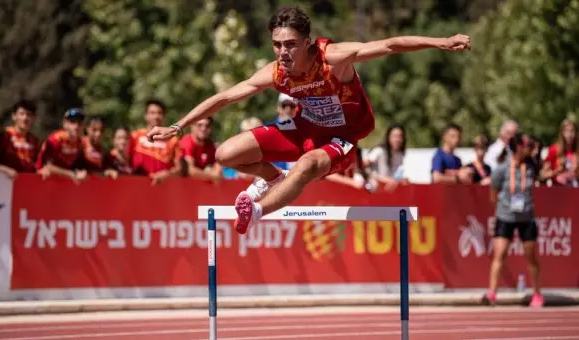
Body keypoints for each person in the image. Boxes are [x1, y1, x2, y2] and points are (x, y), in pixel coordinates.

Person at [147, 7, 471, 233]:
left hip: (341, 139)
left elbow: (387, 45)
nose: (282, 52)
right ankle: (273, 179)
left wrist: (440, 42)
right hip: (304, 128)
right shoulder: (276, 72)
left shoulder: (334, 59)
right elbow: (227, 96)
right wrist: (178, 126)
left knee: (304, 166)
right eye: (277, 45)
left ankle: (257, 211)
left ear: (306, 43)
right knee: (226, 154)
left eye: (289, 45)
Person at [483, 132, 544, 307]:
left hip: (527, 216)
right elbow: (493, 190)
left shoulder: (532, 166)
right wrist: (501, 206)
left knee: (531, 257)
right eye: (526, 145)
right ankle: (492, 292)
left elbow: (543, 166)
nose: (529, 148)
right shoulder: (503, 167)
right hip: (505, 216)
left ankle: (537, 294)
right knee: (499, 254)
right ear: (517, 146)